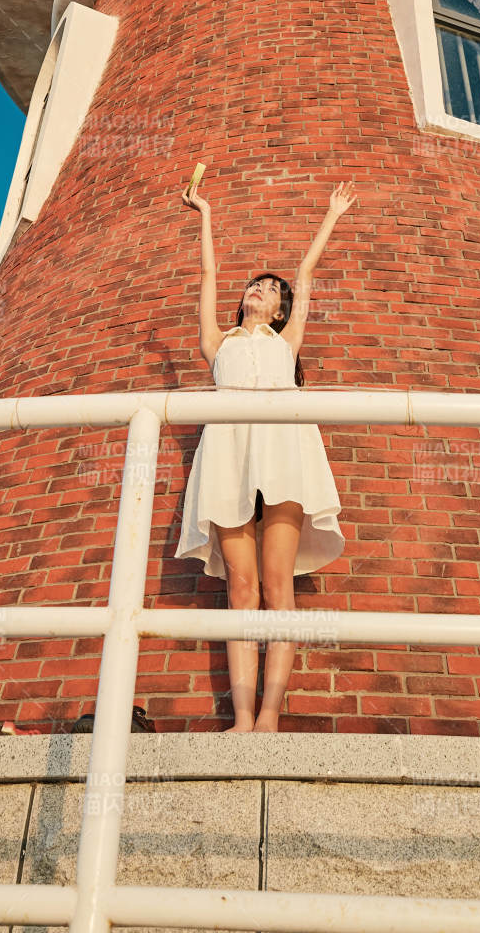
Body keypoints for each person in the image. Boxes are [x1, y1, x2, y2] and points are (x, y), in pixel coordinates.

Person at [174, 178, 358, 732]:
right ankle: (242, 717)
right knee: (241, 587)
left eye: (268, 289)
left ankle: (271, 718)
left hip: (282, 449)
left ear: (281, 311)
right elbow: (207, 276)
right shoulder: (219, 343)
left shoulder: (286, 342)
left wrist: (330, 215)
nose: (258, 289)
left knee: (279, 588)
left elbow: (306, 275)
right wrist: (204, 213)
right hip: (228, 453)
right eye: (252, 285)